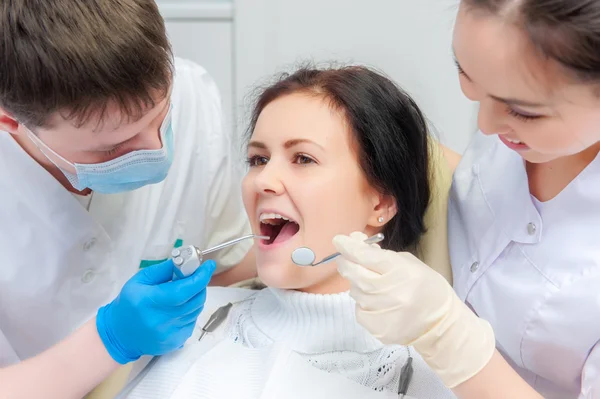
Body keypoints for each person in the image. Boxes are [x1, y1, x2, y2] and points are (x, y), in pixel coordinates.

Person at [123, 65, 459, 399]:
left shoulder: (430, 371)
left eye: (303, 158)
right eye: (258, 159)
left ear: (381, 203)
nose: (264, 180)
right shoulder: (189, 321)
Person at [332, 1, 600, 398]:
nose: (485, 125)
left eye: (524, 112)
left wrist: (449, 338)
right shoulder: (522, 125)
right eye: (467, 76)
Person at [0, 1, 255, 397]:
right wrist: (108, 341)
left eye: (162, 117)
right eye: (114, 148)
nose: (157, 151)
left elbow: (230, 269)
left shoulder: (194, 92)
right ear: (11, 123)